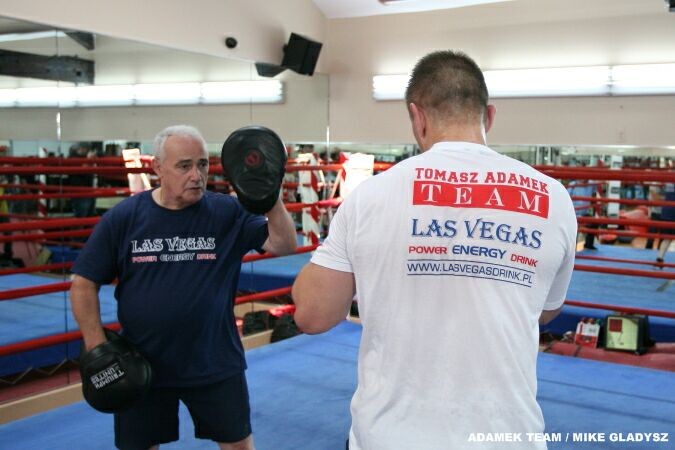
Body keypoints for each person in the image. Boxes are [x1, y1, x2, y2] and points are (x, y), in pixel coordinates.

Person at [292, 50, 578, 450]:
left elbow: (313, 315)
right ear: (489, 116)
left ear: (417, 117)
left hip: (389, 439)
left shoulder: (369, 197)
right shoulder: (554, 198)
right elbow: (546, 310)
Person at [70, 125, 297, 450]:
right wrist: (96, 348)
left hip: (214, 360)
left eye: (203, 164)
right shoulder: (125, 218)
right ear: (157, 168)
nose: (196, 175)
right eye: (184, 165)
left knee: (238, 445)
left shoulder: (226, 212)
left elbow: (284, 244)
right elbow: (82, 282)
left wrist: (270, 198)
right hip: (143, 363)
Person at [68, 142, 97, 218]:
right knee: (81, 216)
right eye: (86, 148)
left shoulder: (83, 157)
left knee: (89, 216)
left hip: (89, 190)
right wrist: (89, 160)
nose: (87, 150)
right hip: (80, 192)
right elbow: (82, 170)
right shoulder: (73, 158)